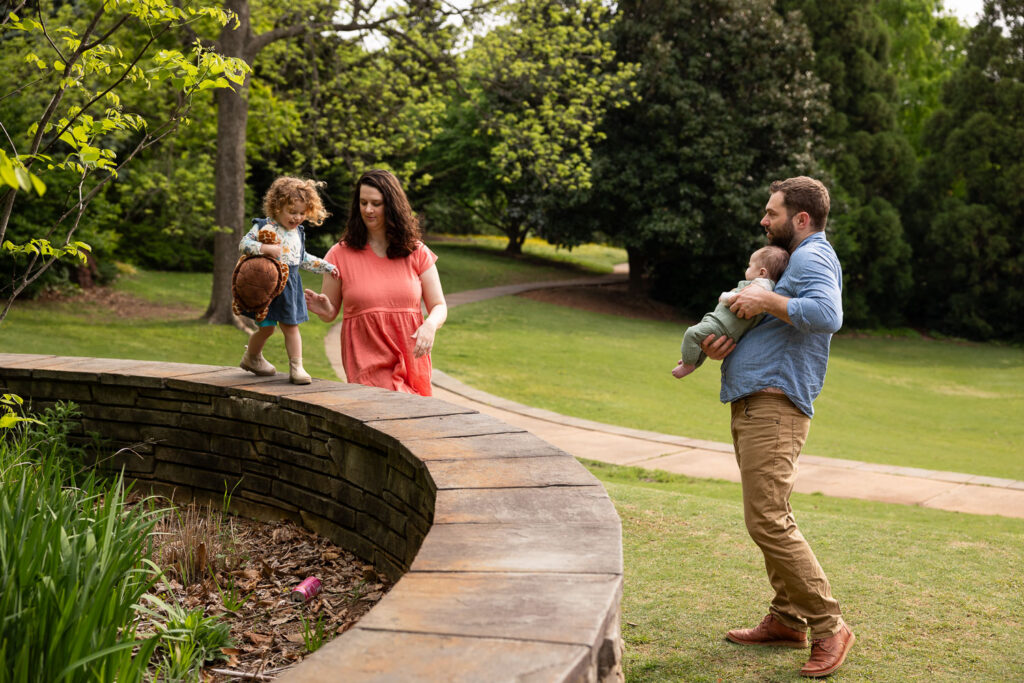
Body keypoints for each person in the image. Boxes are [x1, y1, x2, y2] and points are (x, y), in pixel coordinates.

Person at [701, 177, 854, 678]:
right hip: (757, 403)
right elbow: (775, 328)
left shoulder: (813, 256)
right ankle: (788, 620)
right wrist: (726, 343)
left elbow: (828, 315)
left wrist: (765, 303)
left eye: (771, 213)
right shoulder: (796, 261)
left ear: (801, 218)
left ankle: (829, 627)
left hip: (776, 406)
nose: (764, 221)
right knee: (771, 514)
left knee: (767, 519)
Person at [303, 169, 447, 396]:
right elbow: (329, 313)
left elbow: (439, 305)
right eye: (363, 202)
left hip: (412, 358)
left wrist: (429, 326)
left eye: (376, 203)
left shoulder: (416, 251)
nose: (368, 210)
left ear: (391, 205)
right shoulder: (339, 254)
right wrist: (323, 307)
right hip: (366, 361)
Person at [238, 176, 339, 385]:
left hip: (289, 286)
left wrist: (326, 267)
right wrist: (264, 248)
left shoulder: (298, 233)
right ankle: (252, 358)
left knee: (291, 327)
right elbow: (243, 244)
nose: (297, 217)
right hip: (267, 285)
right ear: (277, 207)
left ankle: (297, 367)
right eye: (292, 212)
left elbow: (302, 259)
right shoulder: (264, 226)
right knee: (266, 328)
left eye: (302, 213)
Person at [671, 245, 789, 379]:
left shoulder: (760, 286)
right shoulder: (764, 288)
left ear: (762, 272)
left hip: (721, 326)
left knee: (692, 333)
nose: (747, 269)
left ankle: (687, 365)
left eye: (750, 266)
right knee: (702, 343)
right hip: (727, 330)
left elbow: (737, 299)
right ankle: (691, 362)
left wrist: (725, 296)